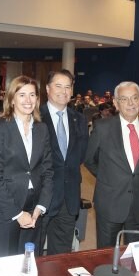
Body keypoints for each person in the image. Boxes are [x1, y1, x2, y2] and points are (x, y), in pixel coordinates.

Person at [85, 81, 139, 248]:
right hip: (110, 202)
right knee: (105, 256)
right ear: (115, 103)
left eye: (134, 98)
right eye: (124, 99)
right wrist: (109, 177)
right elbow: (90, 159)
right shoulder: (102, 127)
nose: (130, 103)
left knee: (134, 257)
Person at [0, 75, 53, 257]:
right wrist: (16, 213)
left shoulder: (42, 129)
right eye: (22, 95)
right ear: (12, 99)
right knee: (4, 265)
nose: (28, 100)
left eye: (32, 95)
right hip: (6, 206)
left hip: (34, 206)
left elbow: (47, 170)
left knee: (29, 262)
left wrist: (42, 205)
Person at [39, 70, 89, 255]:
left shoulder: (80, 119)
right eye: (58, 86)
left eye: (68, 87)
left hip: (69, 198)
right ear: (47, 89)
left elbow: (80, 155)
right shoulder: (35, 116)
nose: (63, 91)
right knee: (33, 252)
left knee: (60, 256)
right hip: (40, 198)